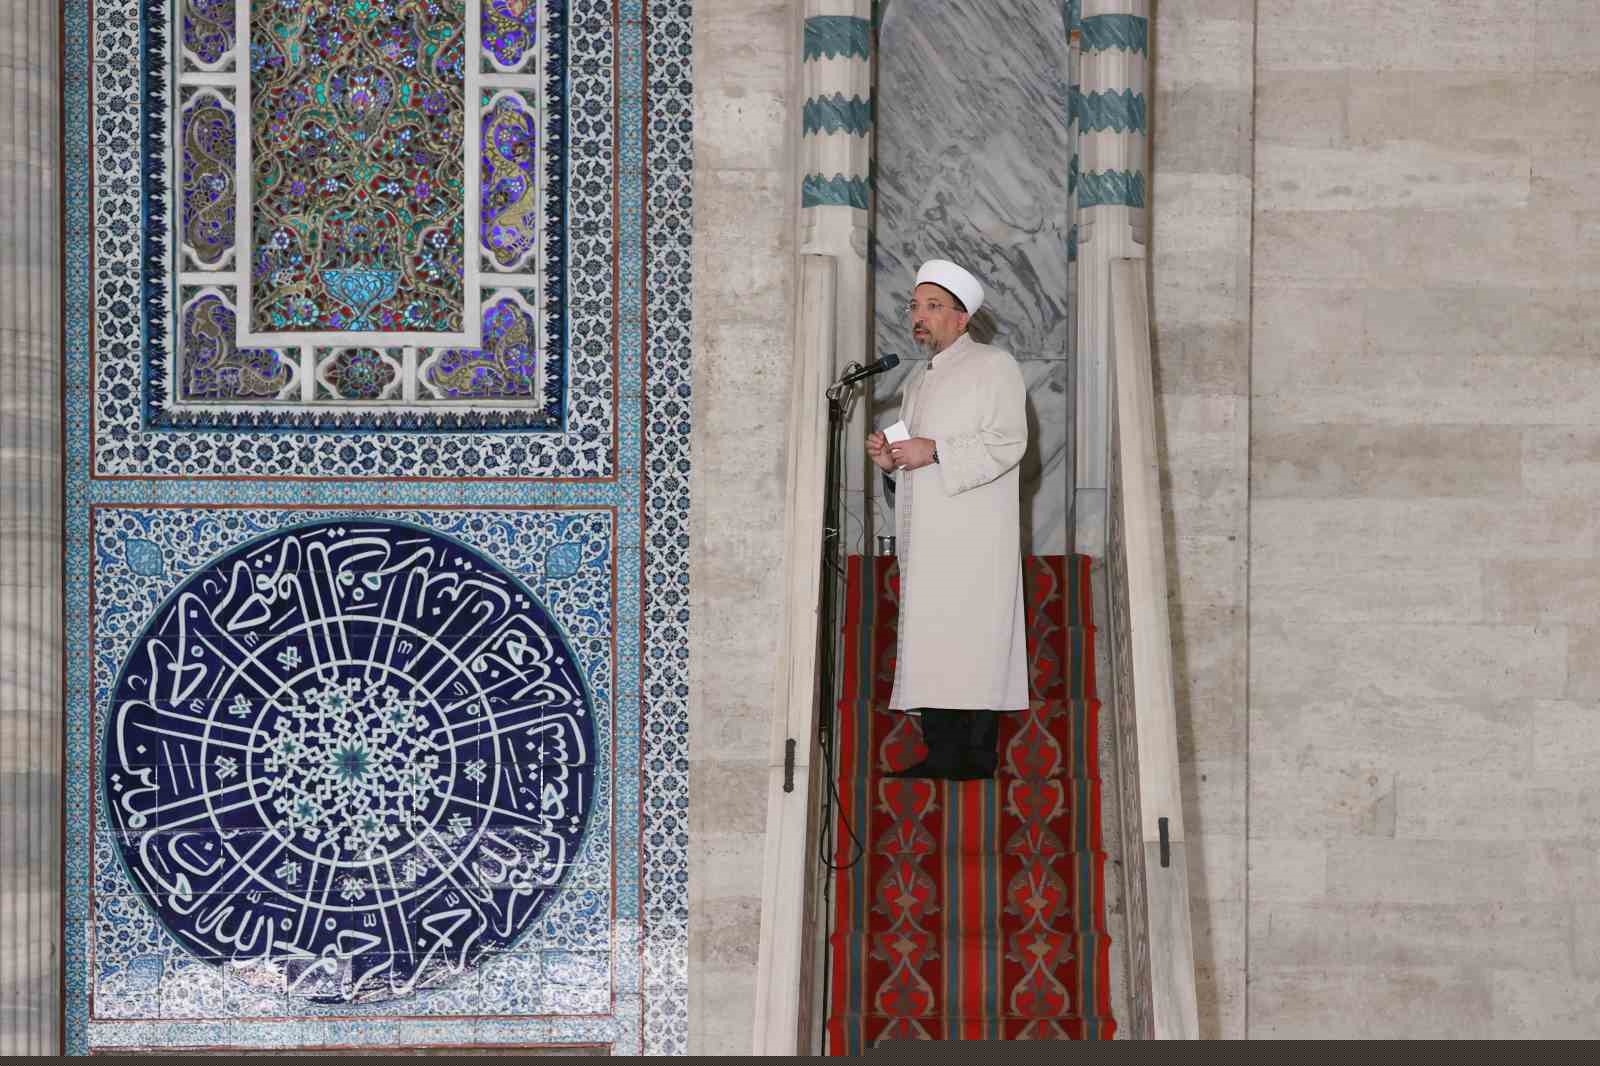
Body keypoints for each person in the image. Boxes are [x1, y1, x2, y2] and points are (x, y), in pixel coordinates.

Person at [866, 258, 1029, 780]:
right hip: (930, 535)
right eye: (915, 306)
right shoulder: (918, 378)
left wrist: (932, 449)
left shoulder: (994, 365)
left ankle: (977, 757)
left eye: (933, 306)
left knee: (974, 638)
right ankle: (939, 753)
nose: (920, 316)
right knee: (934, 638)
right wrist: (892, 463)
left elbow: (1009, 441)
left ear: (963, 318)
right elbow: (915, 456)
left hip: (975, 534)